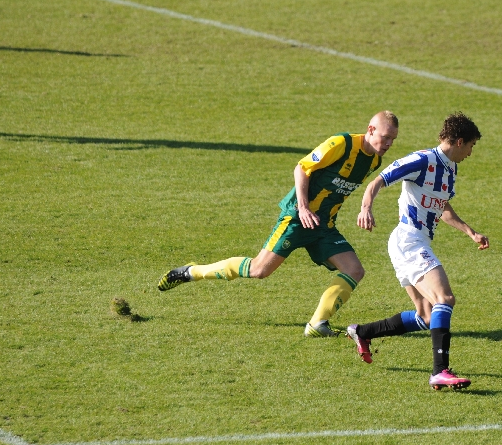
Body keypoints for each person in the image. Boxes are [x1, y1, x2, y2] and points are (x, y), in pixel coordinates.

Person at [157, 111, 399, 337]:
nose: (388, 144)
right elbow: (302, 168)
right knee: (259, 270)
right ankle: (190, 273)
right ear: (370, 129)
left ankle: (317, 324)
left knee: (354, 270)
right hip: (297, 218)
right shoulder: (342, 144)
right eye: (385, 137)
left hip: (323, 226)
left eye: (392, 140)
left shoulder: (373, 161)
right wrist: (303, 207)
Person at [346, 112, 489, 390]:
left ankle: (362, 332)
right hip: (408, 240)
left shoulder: (450, 169)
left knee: (425, 315)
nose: (471, 153)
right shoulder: (422, 160)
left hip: (412, 243)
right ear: (459, 141)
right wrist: (366, 208)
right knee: (444, 298)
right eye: (471, 146)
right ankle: (440, 371)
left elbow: (442, 207)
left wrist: (470, 231)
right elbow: (378, 181)